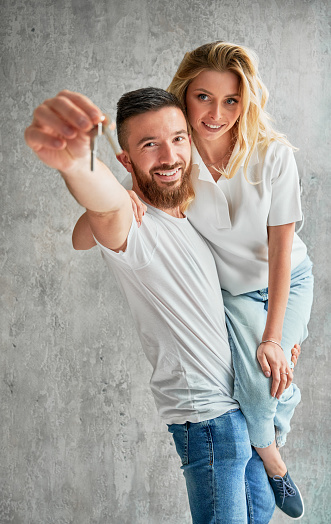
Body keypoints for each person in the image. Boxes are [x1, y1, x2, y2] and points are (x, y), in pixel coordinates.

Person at [25, 87, 276, 523]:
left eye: (178, 138)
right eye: (149, 144)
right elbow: (103, 205)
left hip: (242, 412)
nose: (169, 155)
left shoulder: (196, 221)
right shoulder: (134, 225)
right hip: (208, 421)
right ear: (126, 160)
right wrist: (75, 161)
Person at [166, 41, 314, 520]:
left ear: (246, 101)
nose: (216, 112)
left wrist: (274, 336)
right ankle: (273, 460)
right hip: (232, 294)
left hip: (287, 282)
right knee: (258, 382)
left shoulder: (272, 155)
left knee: (269, 373)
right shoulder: (176, 162)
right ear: (184, 94)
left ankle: (268, 454)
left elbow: (282, 248)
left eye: (231, 99)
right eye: (203, 97)